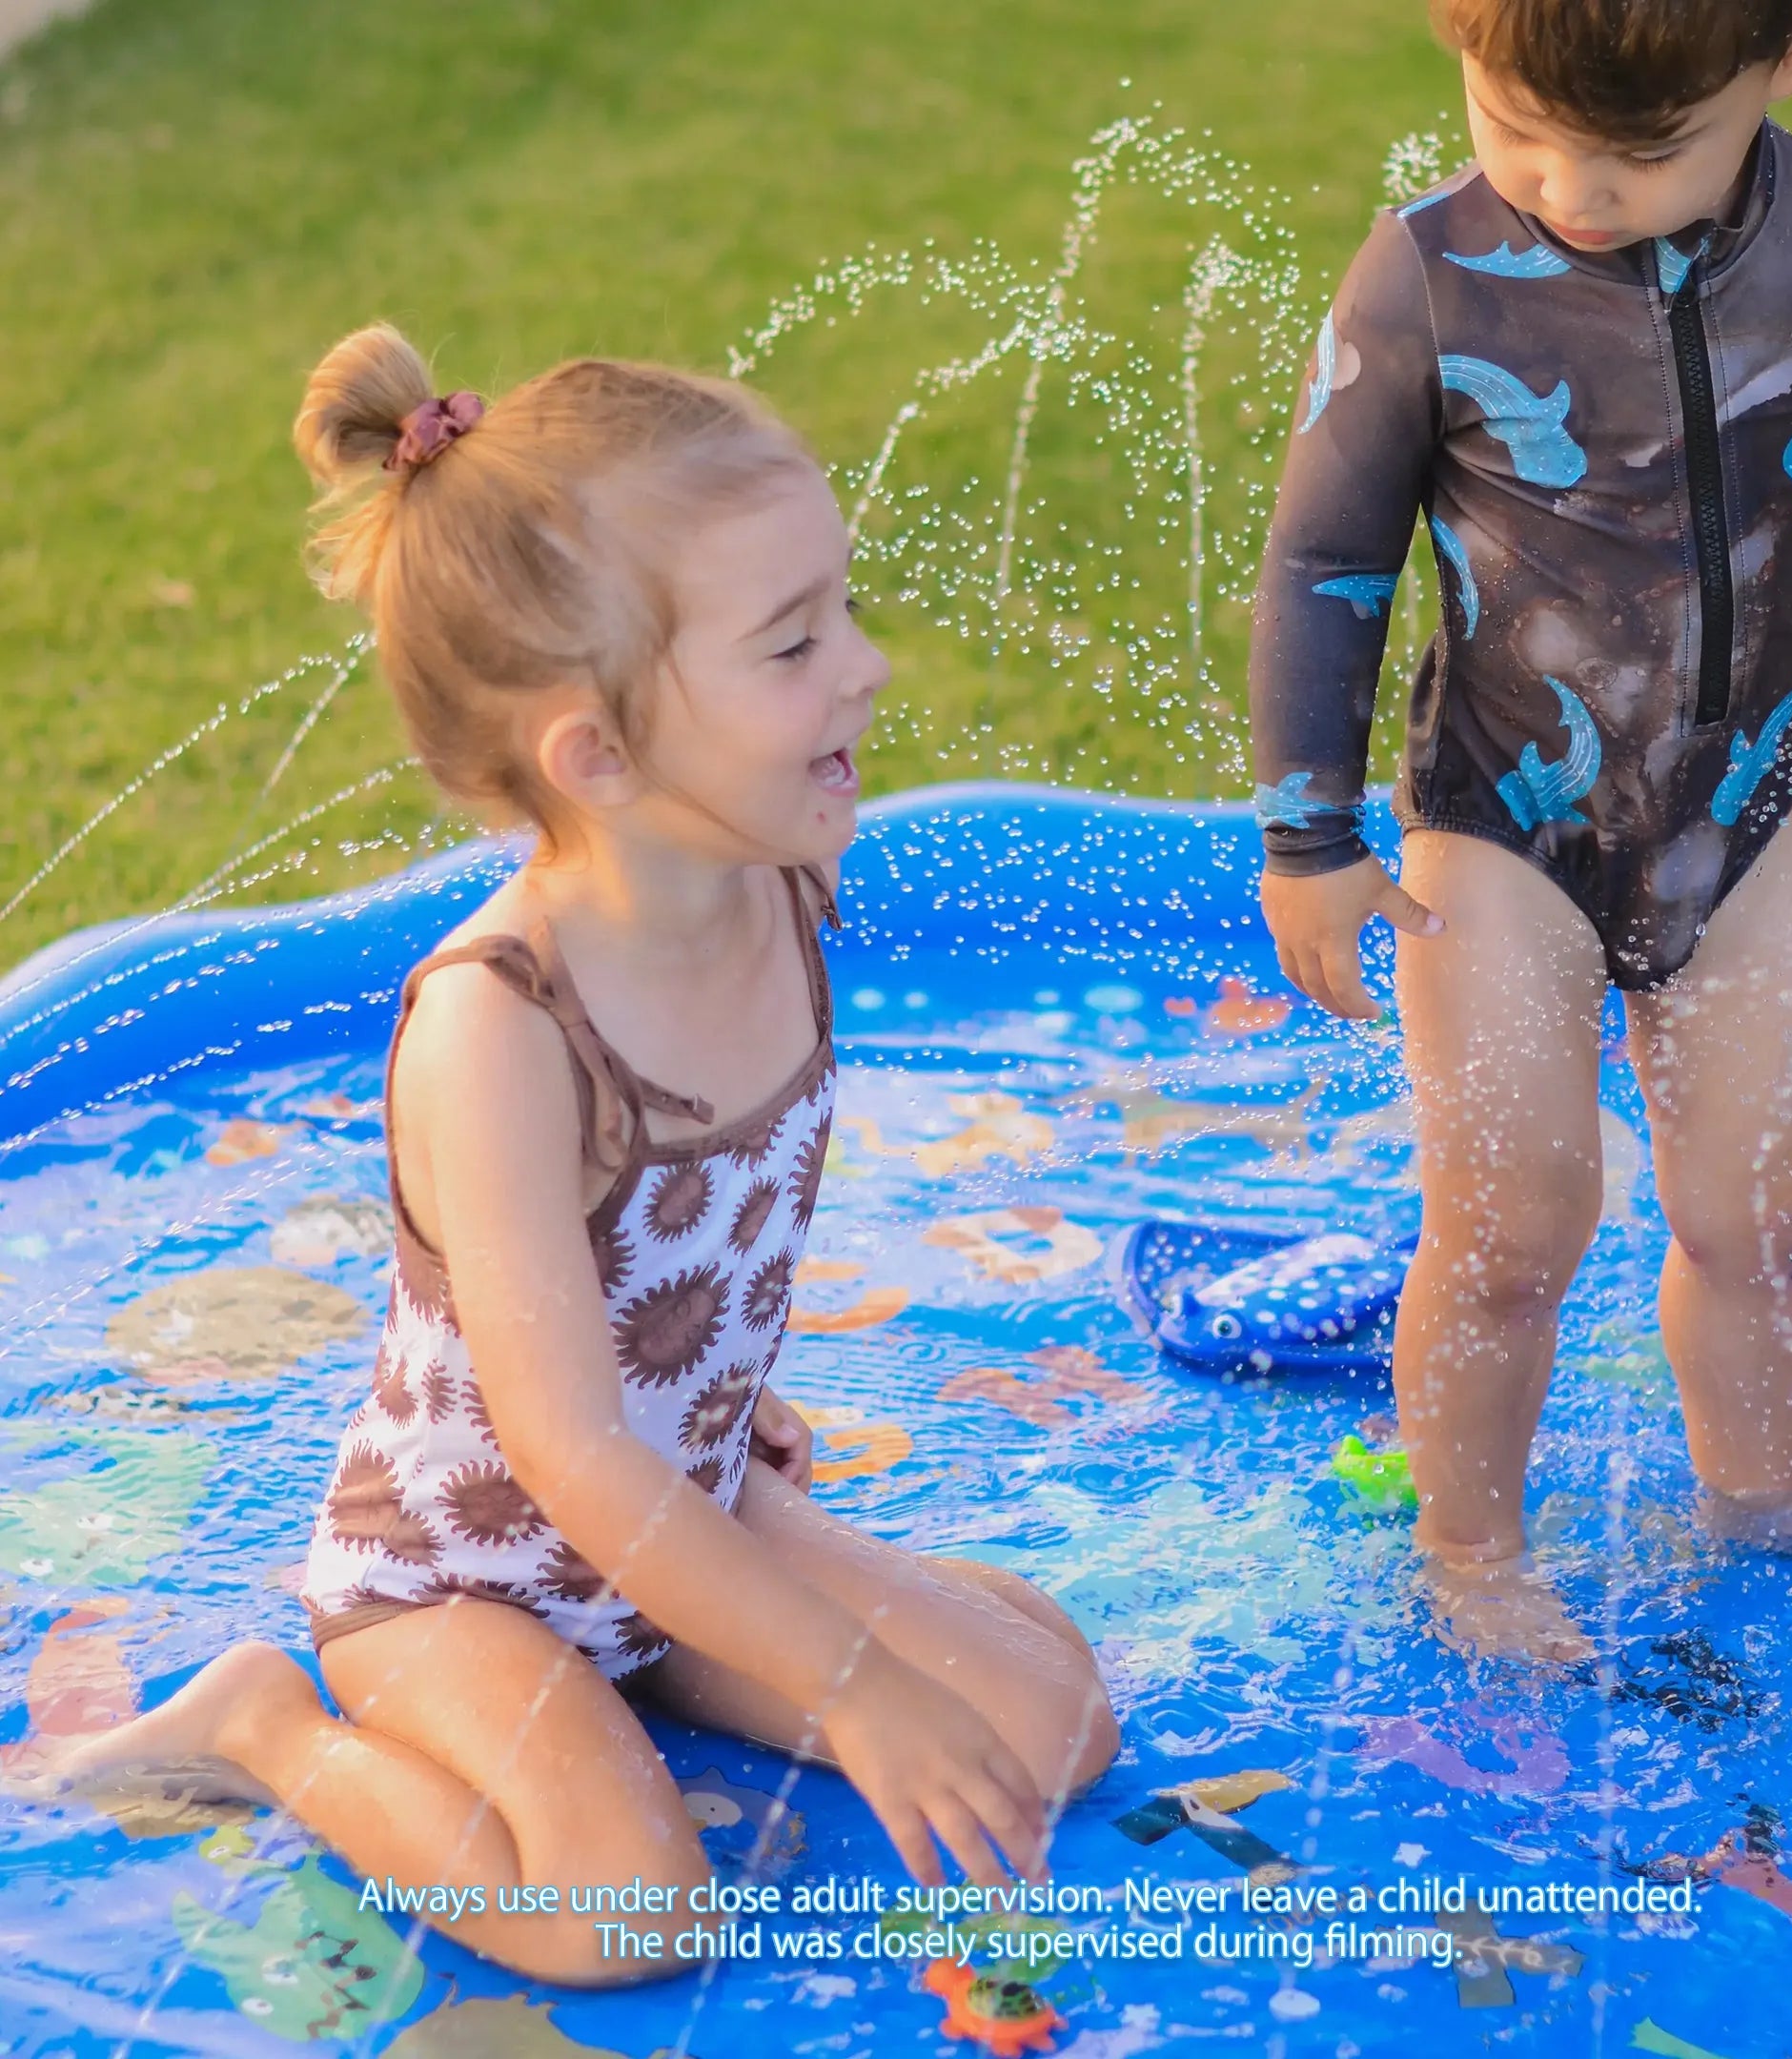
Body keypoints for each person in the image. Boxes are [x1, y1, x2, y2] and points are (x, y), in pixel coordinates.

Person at [15, 327, 1117, 1980]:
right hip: (462, 1585)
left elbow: (689, 1278)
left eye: (844, 611)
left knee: (1055, 1728)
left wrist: (756, 1489)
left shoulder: (776, 873)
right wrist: (853, 1679)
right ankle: (264, 1730)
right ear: (596, 756)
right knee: (627, 1919)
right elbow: (572, 1455)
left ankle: (719, 1641)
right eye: (793, 643)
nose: (866, 669)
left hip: (689, 1513)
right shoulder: (501, 1032)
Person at [1249, 0, 1792, 1660]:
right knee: (1506, 1230)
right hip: (1503, 830)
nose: (1573, 191)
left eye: (1640, 154)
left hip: (1742, 826)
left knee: (1763, 1218)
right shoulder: (1429, 276)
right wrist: (1308, 836)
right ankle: (1470, 1551)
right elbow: (1320, 565)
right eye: (1515, 124)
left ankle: (1762, 1498)